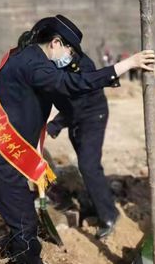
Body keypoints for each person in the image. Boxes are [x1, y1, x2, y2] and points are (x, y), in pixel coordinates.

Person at [0, 15, 155, 264]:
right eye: (68, 50)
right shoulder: (34, 64)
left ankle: (31, 260)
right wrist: (126, 64)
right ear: (56, 43)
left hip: (5, 152)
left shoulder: (26, 58)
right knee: (24, 219)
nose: (69, 56)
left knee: (23, 210)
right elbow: (71, 85)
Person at [46, 53, 121, 239]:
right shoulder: (51, 65)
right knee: (85, 165)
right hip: (75, 121)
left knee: (89, 166)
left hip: (92, 116)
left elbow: (79, 102)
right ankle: (91, 204)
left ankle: (109, 215)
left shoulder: (82, 64)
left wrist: (55, 124)